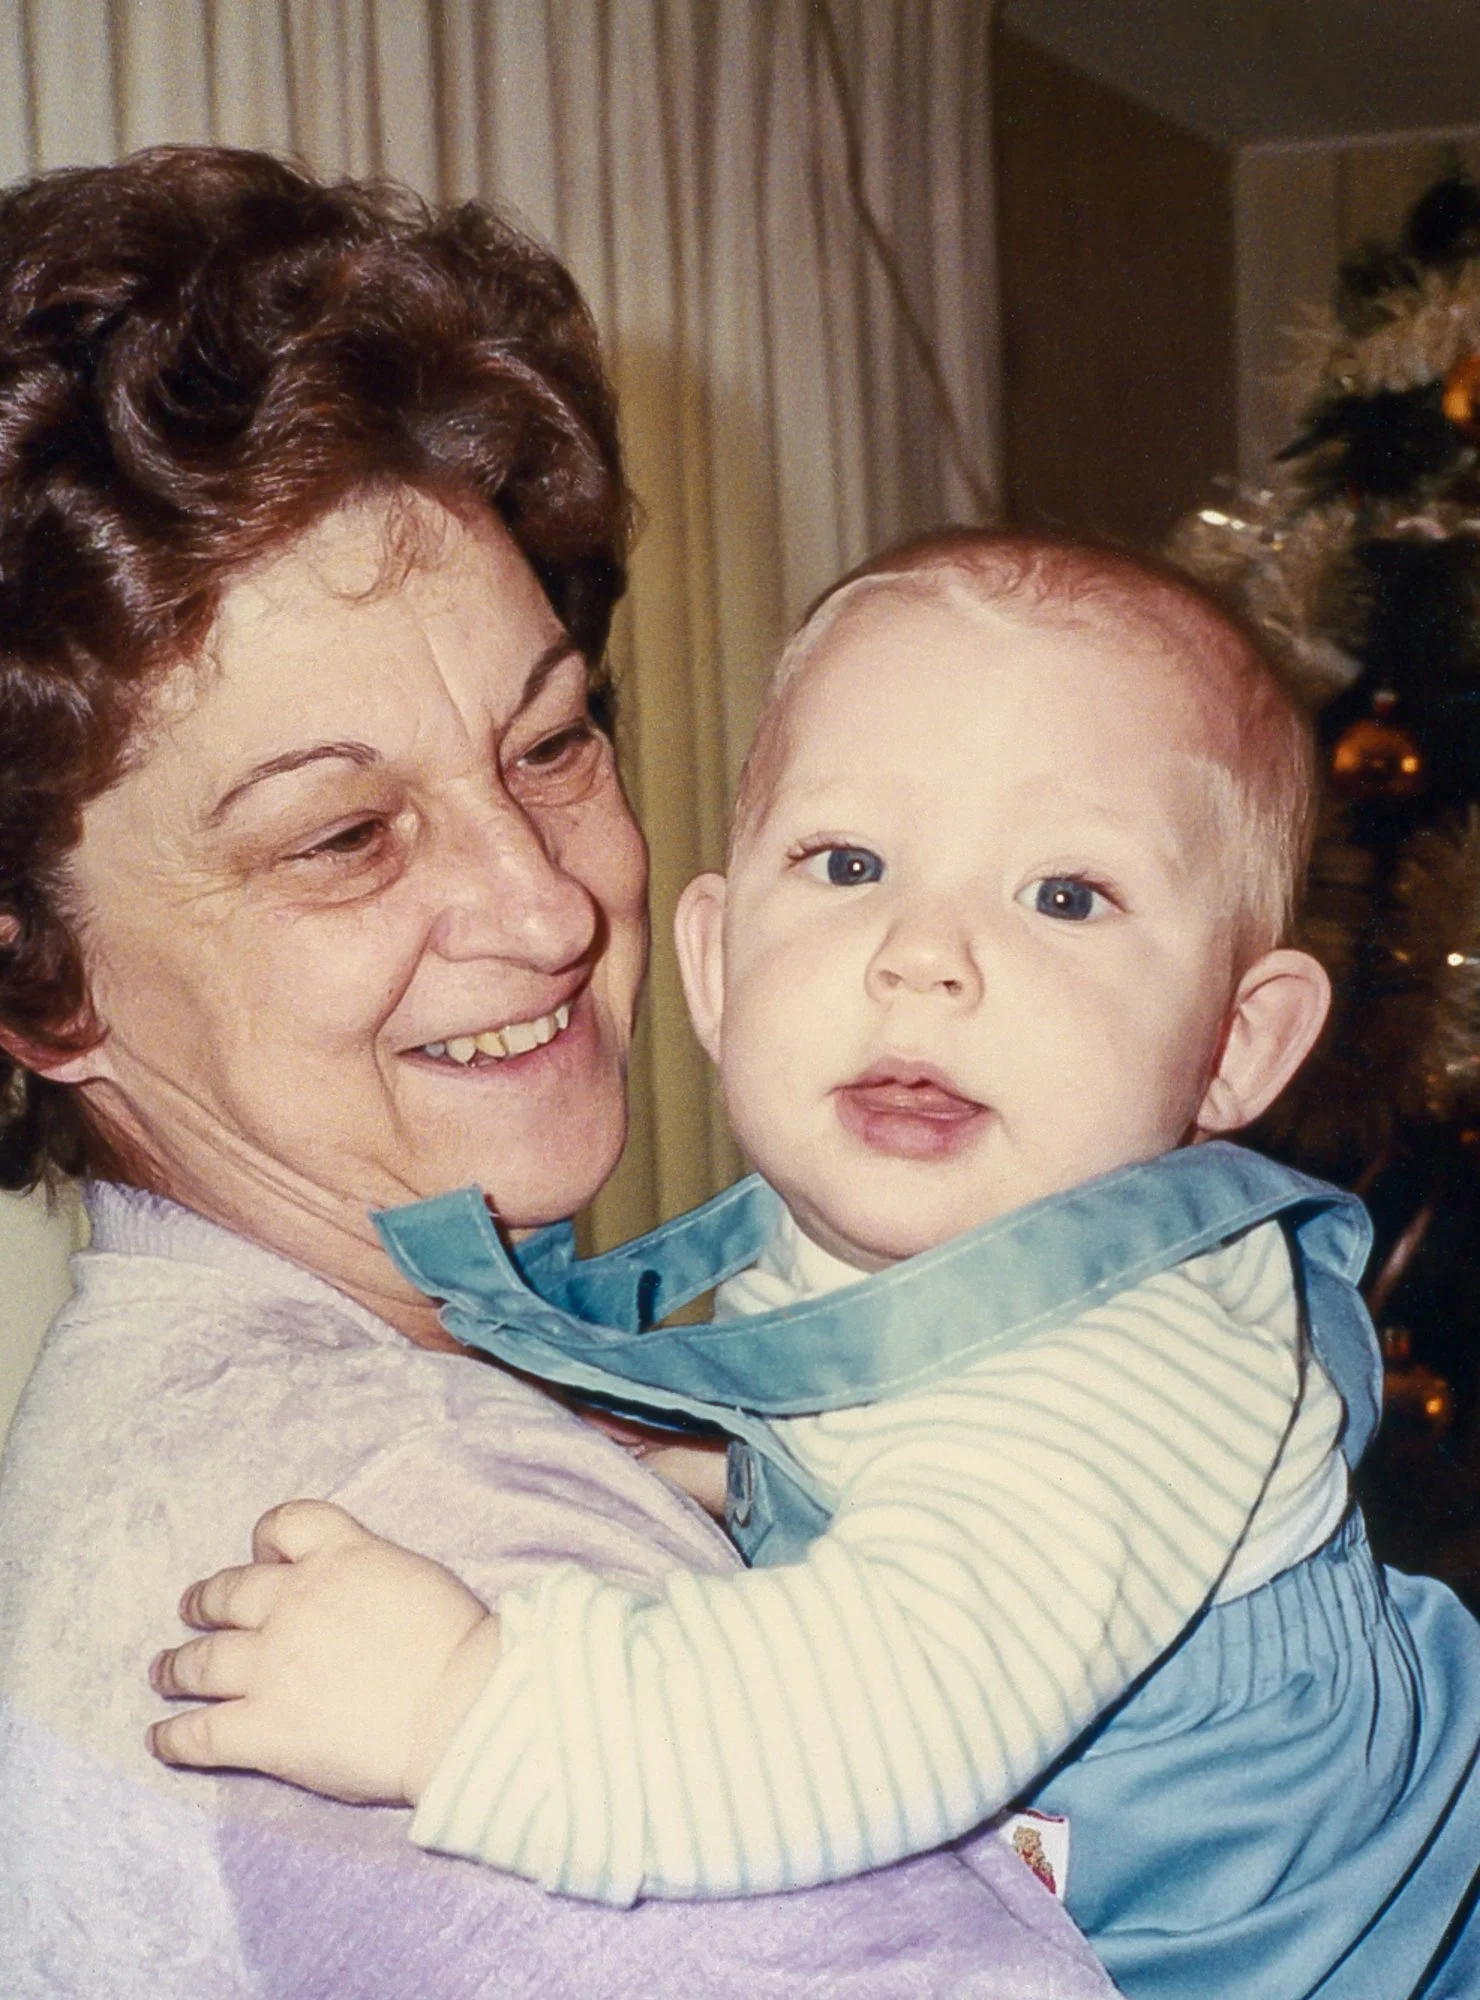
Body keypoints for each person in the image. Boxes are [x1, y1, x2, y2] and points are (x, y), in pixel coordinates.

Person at [0, 150, 1117, 1997]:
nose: (544, 908)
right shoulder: (405, 1578)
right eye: (344, 837)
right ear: (30, 976)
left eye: (550, 741)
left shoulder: (282, 1418)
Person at [152, 531, 1480, 1999]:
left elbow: (875, 1711)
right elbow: (911, 1442)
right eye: (848, 863)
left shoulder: (1133, 1358)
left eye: (1064, 897)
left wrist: (469, 1709)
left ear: (1237, 1043)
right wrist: (728, 1469)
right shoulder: (928, 1223)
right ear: (718, 967)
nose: (924, 955)